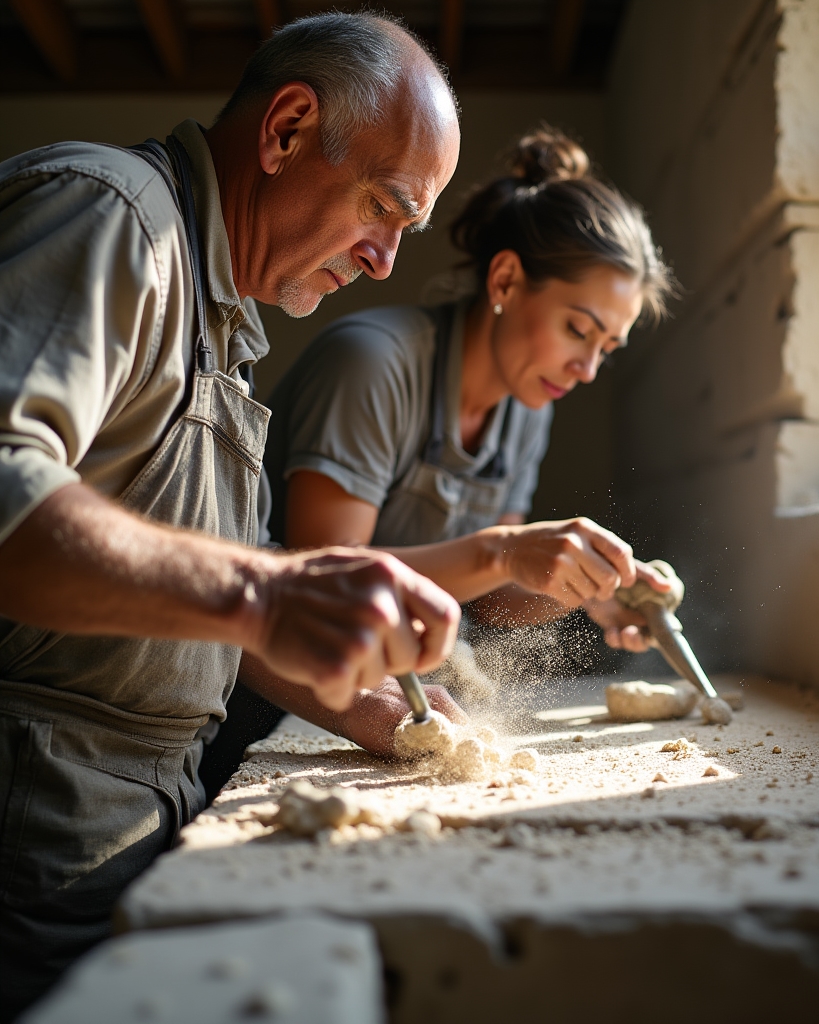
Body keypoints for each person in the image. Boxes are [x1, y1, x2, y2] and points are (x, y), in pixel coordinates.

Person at [0, 12, 462, 1018]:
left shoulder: (228, 318)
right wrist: (263, 590)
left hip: (139, 814)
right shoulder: (112, 218)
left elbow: (207, 601)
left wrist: (361, 704)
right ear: (288, 129)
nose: (386, 261)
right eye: (385, 208)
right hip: (35, 820)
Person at [216, 128, 677, 758]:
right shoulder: (372, 363)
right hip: (272, 706)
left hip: (388, 688)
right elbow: (327, 583)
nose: (587, 369)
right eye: (578, 330)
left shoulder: (529, 405)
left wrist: (588, 584)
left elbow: (492, 601)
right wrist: (503, 549)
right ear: (508, 281)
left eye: (606, 349)